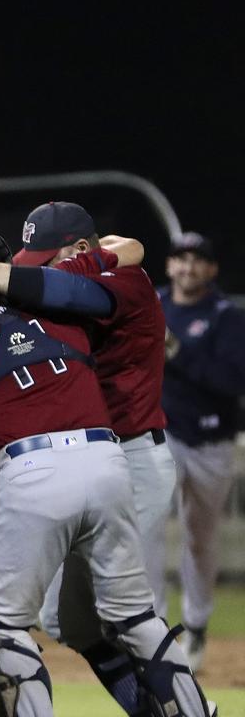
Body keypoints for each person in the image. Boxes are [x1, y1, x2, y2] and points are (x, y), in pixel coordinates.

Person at [0, 226, 214, 717]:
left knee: (4, 627)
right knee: (132, 616)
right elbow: (130, 248)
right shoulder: (58, 305)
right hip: (107, 459)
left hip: (37, 470)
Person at [159, 231, 245, 671]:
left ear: (211, 269)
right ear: (170, 264)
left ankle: (195, 626)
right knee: (146, 527)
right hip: (163, 436)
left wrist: (178, 352)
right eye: (180, 258)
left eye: (197, 260)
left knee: (199, 539)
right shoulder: (153, 306)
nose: (187, 267)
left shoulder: (225, 316)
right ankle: (151, 628)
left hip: (211, 441)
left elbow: (232, 381)